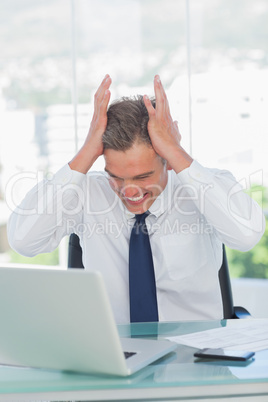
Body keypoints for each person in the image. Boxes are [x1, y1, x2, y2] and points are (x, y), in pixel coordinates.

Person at [8, 74, 265, 323]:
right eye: (116, 176)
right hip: (114, 356)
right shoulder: (87, 194)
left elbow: (246, 235)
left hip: (195, 354)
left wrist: (177, 151)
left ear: (168, 161)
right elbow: (24, 240)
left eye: (143, 177)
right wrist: (87, 151)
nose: (129, 191)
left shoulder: (204, 188)